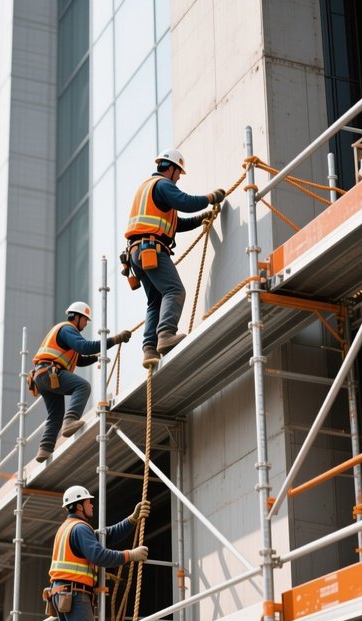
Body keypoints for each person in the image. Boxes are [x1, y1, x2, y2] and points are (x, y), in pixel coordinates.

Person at [46, 486, 150, 621]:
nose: (92, 505)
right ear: (79, 505)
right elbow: (98, 554)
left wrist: (131, 519)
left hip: (61, 592)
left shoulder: (68, 528)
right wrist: (129, 555)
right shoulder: (80, 528)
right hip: (75, 592)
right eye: (88, 502)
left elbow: (106, 536)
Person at [125, 148, 226, 367]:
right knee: (175, 291)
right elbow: (186, 202)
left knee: (156, 300)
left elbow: (175, 224)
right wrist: (210, 198)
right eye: (178, 172)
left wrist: (201, 219)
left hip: (137, 253)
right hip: (151, 249)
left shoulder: (149, 189)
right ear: (170, 168)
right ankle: (166, 334)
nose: (179, 177)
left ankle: (149, 349)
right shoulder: (163, 185)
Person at [32, 302, 131, 463]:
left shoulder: (63, 334)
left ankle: (45, 448)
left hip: (42, 376)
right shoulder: (67, 329)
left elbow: (79, 359)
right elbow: (84, 347)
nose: (85, 324)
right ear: (76, 317)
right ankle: (70, 421)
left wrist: (95, 358)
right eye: (85, 320)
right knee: (82, 386)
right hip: (50, 373)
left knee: (55, 414)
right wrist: (114, 340)